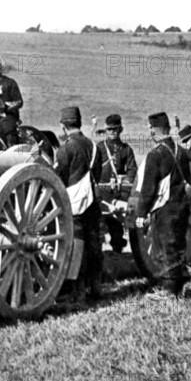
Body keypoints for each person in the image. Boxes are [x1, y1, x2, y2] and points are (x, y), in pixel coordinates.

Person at [135, 112, 191, 297]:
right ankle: (179, 288)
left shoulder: (155, 155)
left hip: (164, 208)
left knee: (163, 248)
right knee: (178, 245)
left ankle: (169, 291)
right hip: (182, 206)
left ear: (153, 130)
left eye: (150, 128)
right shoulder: (181, 152)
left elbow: (148, 189)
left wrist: (141, 214)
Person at [55, 106, 104, 302]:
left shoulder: (65, 149)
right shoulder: (94, 147)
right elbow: (98, 174)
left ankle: (78, 291)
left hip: (74, 203)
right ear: (79, 123)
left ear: (63, 126)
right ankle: (96, 287)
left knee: (77, 245)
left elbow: (59, 178)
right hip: (93, 201)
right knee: (94, 244)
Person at [97, 114, 137, 254]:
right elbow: (93, 169)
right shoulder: (99, 148)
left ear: (121, 129)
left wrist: (125, 182)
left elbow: (132, 170)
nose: (112, 132)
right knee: (99, 225)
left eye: (115, 129)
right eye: (109, 129)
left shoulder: (126, 150)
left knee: (116, 228)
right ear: (105, 130)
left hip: (118, 194)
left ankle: (117, 250)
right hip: (102, 194)